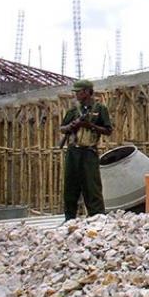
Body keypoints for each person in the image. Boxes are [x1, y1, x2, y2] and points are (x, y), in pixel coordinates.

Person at [59, 79, 113, 221]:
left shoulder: (100, 109)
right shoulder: (73, 111)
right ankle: (69, 218)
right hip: (73, 152)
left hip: (89, 152)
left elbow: (108, 130)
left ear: (87, 92)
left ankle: (97, 218)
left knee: (92, 186)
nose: (76, 94)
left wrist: (90, 126)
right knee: (71, 185)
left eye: (78, 92)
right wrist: (72, 126)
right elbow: (62, 128)